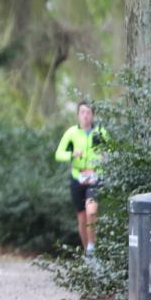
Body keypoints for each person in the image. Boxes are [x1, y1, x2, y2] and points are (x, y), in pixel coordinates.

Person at [55, 101, 108, 257]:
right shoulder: (72, 133)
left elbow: (111, 151)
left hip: (95, 177)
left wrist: (104, 158)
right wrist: (71, 155)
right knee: (82, 218)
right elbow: (58, 154)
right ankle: (88, 254)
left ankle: (92, 246)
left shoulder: (100, 132)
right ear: (78, 115)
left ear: (93, 115)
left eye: (89, 112)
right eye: (83, 112)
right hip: (77, 177)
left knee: (92, 210)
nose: (86, 115)